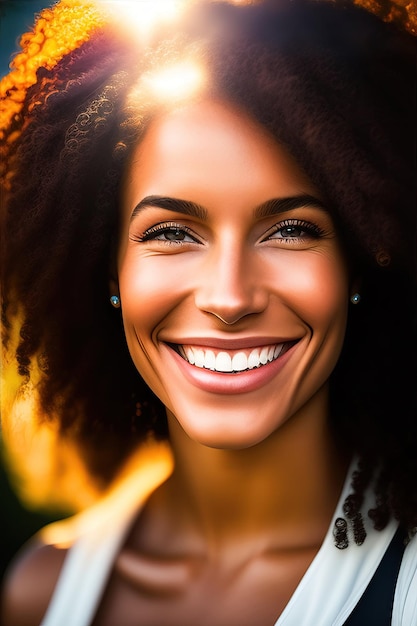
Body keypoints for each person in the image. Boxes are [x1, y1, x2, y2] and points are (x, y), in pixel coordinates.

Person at [0, 0, 416, 624]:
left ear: (359, 261)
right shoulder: (43, 591)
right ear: (108, 266)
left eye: (292, 229)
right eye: (170, 233)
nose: (228, 297)